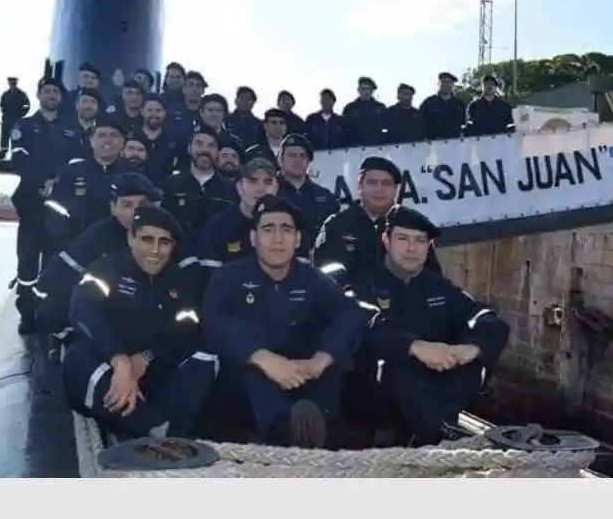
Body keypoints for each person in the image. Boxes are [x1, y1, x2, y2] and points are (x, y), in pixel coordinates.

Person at [202, 196, 366, 448]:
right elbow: (214, 321)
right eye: (268, 229)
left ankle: (318, 429)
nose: (278, 239)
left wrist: (321, 359)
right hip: (247, 387)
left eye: (286, 230)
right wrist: (263, 357)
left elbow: (350, 313)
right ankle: (287, 433)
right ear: (253, 238)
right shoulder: (229, 276)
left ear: (297, 240)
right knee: (253, 374)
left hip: (303, 375)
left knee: (334, 366)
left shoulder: (312, 279)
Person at [355, 206, 510, 446]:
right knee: (393, 362)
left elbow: (486, 317)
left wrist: (473, 348)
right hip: (380, 404)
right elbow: (364, 322)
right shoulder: (364, 284)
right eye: (403, 239)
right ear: (386, 240)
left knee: (473, 359)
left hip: (436, 393)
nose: (411, 248)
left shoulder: (438, 287)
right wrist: (414, 347)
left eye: (420, 241)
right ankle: (438, 432)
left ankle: (437, 428)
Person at [62, 206, 217, 440]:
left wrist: (145, 358)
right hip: (109, 365)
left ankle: (160, 425)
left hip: (154, 367)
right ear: (131, 238)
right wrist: (120, 360)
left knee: (206, 355)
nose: (155, 250)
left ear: (173, 247)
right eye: (147, 239)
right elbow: (83, 310)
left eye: (164, 242)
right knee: (78, 360)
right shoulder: (106, 269)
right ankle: (152, 427)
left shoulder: (180, 282)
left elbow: (185, 328)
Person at [36, 172, 193, 336]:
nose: (136, 212)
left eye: (143, 204)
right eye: (127, 205)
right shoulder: (97, 235)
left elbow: (189, 275)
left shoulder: (168, 231)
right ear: (113, 208)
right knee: (51, 311)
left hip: (153, 308)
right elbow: (54, 278)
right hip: (105, 305)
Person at [9, 77, 77, 333]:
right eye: (46, 91)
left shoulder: (70, 130)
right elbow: (18, 159)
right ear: (39, 96)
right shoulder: (24, 126)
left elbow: (75, 163)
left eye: (55, 92)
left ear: (61, 98)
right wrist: (43, 180)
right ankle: (27, 312)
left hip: (59, 206)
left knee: (53, 260)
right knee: (28, 261)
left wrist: (57, 181)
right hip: (31, 202)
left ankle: (49, 311)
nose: (51, 95)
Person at [313, 157, 442, 291]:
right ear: (359, 187)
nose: (379, 189)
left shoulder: (413, 226)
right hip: (351, 307)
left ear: (396, 189)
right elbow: (319, 276)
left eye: (386, 183)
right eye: (372, 183)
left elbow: (432, 277)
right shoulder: (336, 225)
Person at [44, 116, 132, 249]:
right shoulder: (72, 172)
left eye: (113, 135)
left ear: (122, 142)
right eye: (101, 135)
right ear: (91, 141)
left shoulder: (133, 175)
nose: (107, 141)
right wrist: (66, 242)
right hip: (77, 246)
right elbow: (54, 208)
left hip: (121, 248)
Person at [198, 157, 280, 273]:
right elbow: (209, 281)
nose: (261, 189)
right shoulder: (217, 228)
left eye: (268, 182)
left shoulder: (289, 225)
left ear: (276, 188)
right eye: (252, 181)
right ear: (239, 187)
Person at [275, 133, 339, 237]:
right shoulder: (268, 191)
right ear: (280, 160)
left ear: (309, 162)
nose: (298, 160)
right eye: (292, 155)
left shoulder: (326, 197)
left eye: (303, 156)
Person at [419, 72, 466, 141]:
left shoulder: (459, 104)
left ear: (453, 85)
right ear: (439, 83)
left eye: (449, 82)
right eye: (444, 82)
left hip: (455, 144)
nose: (447, 85)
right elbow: (420, 124)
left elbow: (465, 124)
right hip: (433, 144)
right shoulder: (428, 103)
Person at [0, 77, 31, 160]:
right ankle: (3, 153)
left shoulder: (22, 94)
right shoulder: (5, 94)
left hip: (17, 119)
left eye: (13, 82)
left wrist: (21, 115)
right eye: (10, 82)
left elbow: (27, 106)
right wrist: (4, 113)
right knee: (4, 136)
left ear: (16, 83)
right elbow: (2, 105)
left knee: (16, 136)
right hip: (7, 119)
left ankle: (15, 154)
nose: (12, 83)